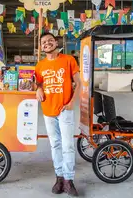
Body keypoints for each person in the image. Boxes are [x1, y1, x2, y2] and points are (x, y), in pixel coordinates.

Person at [35, 33, 81, 196]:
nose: (46, 43)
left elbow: (79, 83)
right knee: (55, 144)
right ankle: (59, 178)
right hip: (48, 110)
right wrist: (38, 88)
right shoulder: (40, 65)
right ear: (41, 47)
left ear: (56, 42)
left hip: (65, 109)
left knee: (68, 146)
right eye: (43, 42)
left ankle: (69, 180)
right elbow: (38, 82)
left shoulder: (68, 60)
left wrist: (71, 103)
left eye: (49, 41)